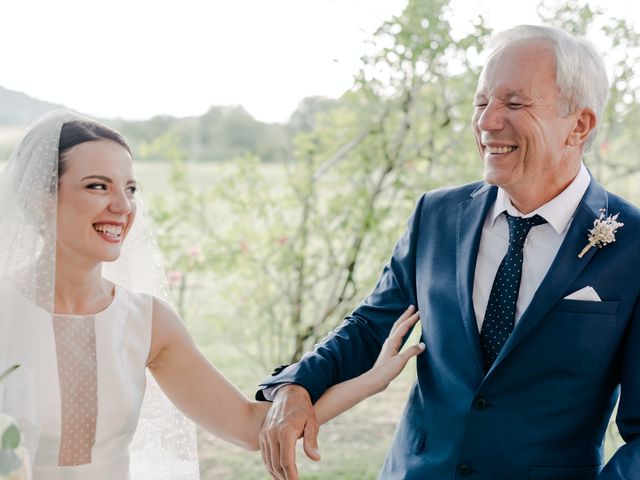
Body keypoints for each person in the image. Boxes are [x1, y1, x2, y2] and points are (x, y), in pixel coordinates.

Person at [257, 24, 640, 480]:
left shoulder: (633, 246)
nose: (486, 122)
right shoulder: (435, 215)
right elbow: (370, 328)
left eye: (513, 104)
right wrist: (299, 383)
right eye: (481, 103)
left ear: (579, 124)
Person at [0, 110, 425, 480]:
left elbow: (249, 426)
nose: (123, 206)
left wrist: (371, 381)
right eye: (97, 186)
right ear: (40, 198)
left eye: (129, 189)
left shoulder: (147, 322)